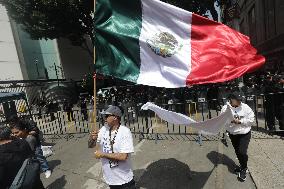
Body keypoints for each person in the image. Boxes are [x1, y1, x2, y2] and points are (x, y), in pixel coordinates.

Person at [88, 105, 136, 189]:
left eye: (107, 116)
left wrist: (102, 154)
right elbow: (90, 145)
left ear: (115, 117)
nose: (105, 118)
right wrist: (92, 138)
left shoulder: (124, 132)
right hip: (110, 179)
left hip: (124, 181)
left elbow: (123, 156)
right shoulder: (104, 129)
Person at [221, 92, 255, 182]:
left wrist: (240, 122)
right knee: (237, 152)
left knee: (242, 151)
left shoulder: (245, 107)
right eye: (238, 100)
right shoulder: (225, 108)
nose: (240, 102)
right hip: (233, 134)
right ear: (232, 99)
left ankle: (244, 168)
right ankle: (242, 166)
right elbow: (222, 120)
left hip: (244, 133)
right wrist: (230, 122)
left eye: (240, 100)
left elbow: (251, 120)